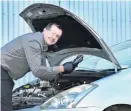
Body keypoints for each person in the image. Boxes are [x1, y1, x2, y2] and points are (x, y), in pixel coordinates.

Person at [1, 23, 75, 111]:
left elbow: (43, 73)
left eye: (57, 36)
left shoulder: (43, 48)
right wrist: (62, 68)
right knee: (5, 108)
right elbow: (37, 70)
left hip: (5, 74)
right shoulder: (34, 42)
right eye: (52, 33)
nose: (54, 37)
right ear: (45, 30)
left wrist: (62, 72)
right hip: (1, 71)